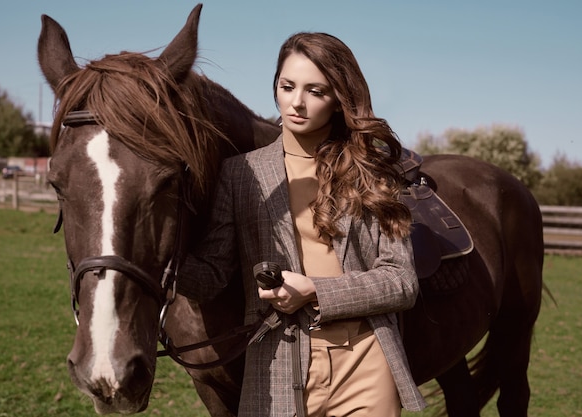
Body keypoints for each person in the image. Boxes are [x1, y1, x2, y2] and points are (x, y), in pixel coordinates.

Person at [178, 32, 426, 417]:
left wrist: (313, 291)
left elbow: (401, 281)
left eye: (316, 91)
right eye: (287, 86)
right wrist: (152, 254)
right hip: (277, 367)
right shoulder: (240, 173)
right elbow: (211, 275)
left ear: (339, 101)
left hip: (365, 363)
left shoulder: (372, 172)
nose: (296, 102)